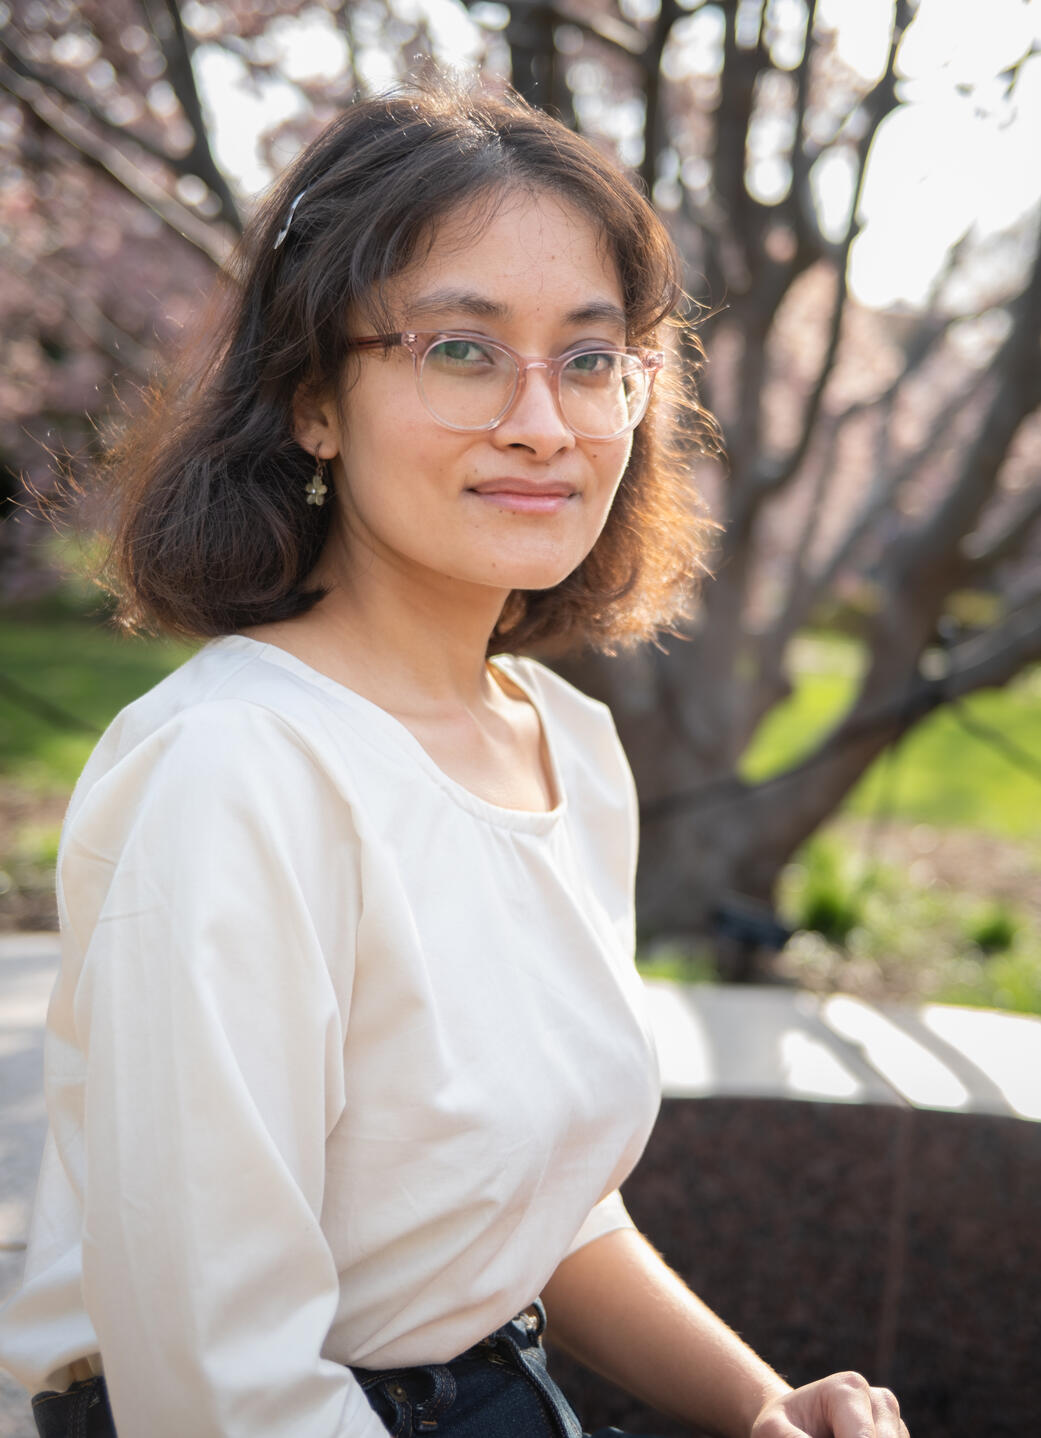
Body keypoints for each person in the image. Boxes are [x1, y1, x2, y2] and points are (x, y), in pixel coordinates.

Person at [0, 84, 908, 1438]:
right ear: (314, 400)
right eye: (463, 350)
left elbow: (515, 1207)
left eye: (591, 359)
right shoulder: (234, 772)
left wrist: (763, 1405)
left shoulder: (568, 746)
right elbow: (219, 1388)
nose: (544, 421)